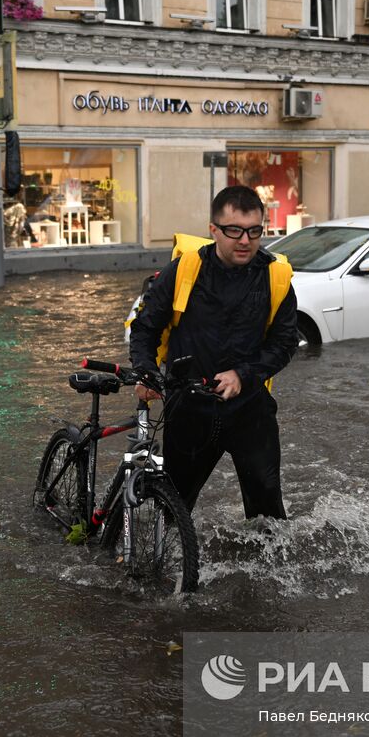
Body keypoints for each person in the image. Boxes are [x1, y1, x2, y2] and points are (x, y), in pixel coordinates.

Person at [127, 185, 299, 520]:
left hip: (250, 409)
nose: (245, 241)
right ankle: (169, 563)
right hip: (189, 408)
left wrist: (243, 375)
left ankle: (265, 569)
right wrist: (146, 370)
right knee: (173, 506)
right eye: (234, 231)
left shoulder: (275, 277)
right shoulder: (184, 270)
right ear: (213, 230)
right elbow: (145, 326)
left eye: (254, 231)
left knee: (268, 511)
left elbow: (284, 342)